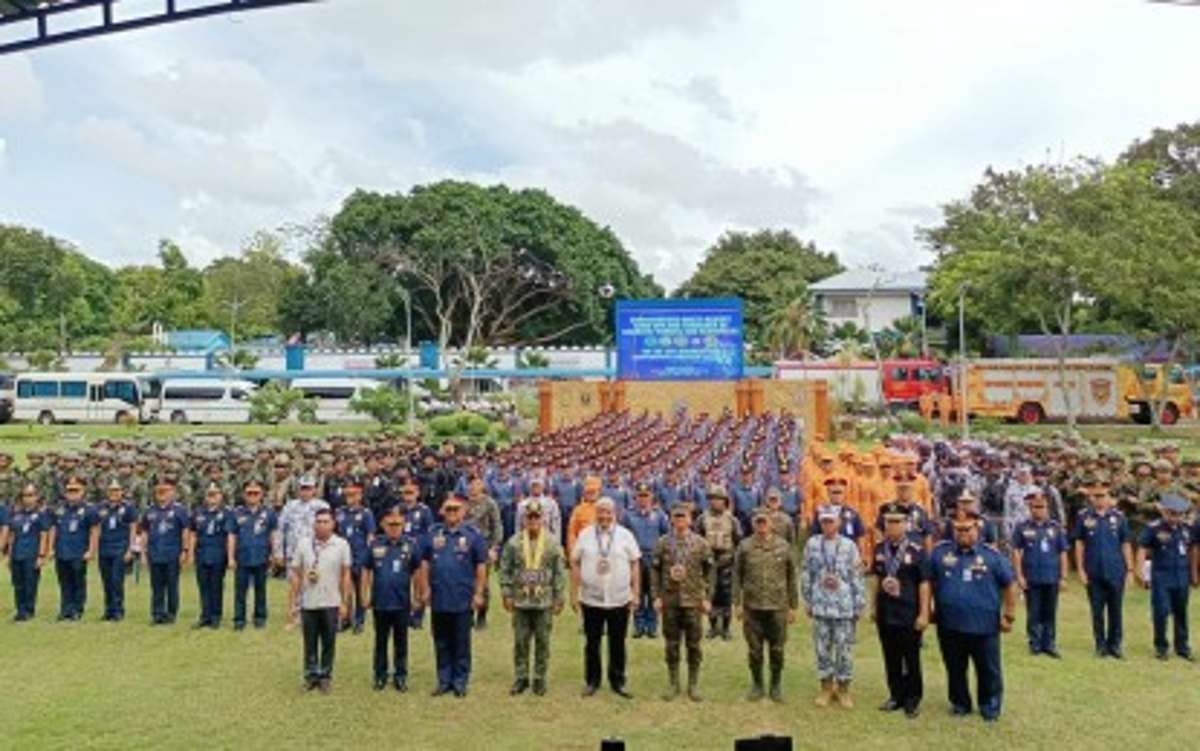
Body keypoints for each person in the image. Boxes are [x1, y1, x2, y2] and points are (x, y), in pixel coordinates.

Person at [929, 509, 1017, 722]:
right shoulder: (940, 553)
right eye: (957, 529)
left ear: (977, 527)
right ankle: (960, 703)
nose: (962, 533)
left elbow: (1009, 585)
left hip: (984, 625)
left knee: (988, 668)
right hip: (949, 623)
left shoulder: (992, 556)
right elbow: (929, 582)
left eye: (967, 529)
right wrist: (930, 607)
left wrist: (1009, 615)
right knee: (955, 667)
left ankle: (990, 705)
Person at [571, 497, 640, 698]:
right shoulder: (585, 535)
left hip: (619, 599)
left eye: (608, 512)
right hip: (592, 599)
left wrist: (635, 592)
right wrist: (574, 594)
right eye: (601, 512)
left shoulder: (625, 536)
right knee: (592, 643)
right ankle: (592, 681)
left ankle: (618, 682)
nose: (604, 516)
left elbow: (635, 563)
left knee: (617, 642)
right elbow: (575, 562)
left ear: (614, 514)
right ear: (596, 513)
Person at [801, 504, 867, 708]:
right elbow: (806, 574)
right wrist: (808, 600)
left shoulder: (849, 546)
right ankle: (826, 688)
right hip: (821, 605)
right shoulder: (812, 544)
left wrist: (859, 603)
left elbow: (857, 576)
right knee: (822, 648)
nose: (827, 525)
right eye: (824, 521)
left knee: (844, 649)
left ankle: (844, 689)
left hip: (844, 606)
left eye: (831, 521)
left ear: (839, 522)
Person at [499, 502, 567, 696]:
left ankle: (539, 678)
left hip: (543, 601)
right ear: (524, 519)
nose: (533, 521)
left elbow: (559, 572)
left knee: (543, 641)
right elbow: (505, 569)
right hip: (520, 601)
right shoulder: (513, 543)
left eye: (537, 517)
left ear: (543, 519)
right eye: (530, 517)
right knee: (520, 641)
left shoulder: (552, 543)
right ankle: (521, 677)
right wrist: (506, 593)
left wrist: (559, 597)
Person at [425, 495, 489, 698]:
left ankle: (460, 681)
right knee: (441, 641)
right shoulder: (433, 533)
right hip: (439, 597)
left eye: (456, 509)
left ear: (463, 512)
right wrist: (424, 588)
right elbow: (425, 562)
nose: (452, 513)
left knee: (461, 642)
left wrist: (479, 593)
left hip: (462, 597)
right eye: (448, 509)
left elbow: (481, 566)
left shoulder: (473, 536)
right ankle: (444, 680)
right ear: (443, 511)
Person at [871, 503, 931, 718]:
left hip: (908, 612)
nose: (892, 526)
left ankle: (912, 699)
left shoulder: (916, 551)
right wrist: (873, 607)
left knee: (911, 658)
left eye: (897, 521)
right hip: (886, 612)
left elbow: (924, 584)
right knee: (891, 656)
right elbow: (877, 579)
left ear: (906, 524)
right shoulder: (879, 549)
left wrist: (924, 613)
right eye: (888, 521)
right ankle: (895, 695)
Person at [733, 507, 798, 702]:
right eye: (758, 522)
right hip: (752, 607)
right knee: (754, 650)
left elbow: (791, 577)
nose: (761, 525)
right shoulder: (744, 546)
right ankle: (757, 685)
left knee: (777, 649)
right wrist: (736, 602)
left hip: (777, 606)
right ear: (753, 524)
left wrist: (793, 606)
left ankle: (776, 686)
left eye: (764, 522)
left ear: (771, 523)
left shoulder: (783, 546)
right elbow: (737, 575)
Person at [651, 504, 715, 702]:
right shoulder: (662, 543)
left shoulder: (701, 544)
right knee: (671, 644)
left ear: (690, 519)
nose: (679, 520)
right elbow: (654, 571)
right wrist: (656, 596)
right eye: (676, 516)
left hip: (693, 601)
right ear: (671, 519)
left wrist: (707, 597)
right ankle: (673, 683)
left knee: (694, 644)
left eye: (683, 517)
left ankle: (693, 684)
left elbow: (711, 571)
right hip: (670, 600)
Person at [362, 505, 428, 692]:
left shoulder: (410, 545)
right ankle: (380, 675)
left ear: (403, 525)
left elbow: (418, 570)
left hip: (402, 603)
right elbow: (366, 569)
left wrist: (418, 596)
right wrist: (364, 594)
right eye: (390, 524)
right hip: (380, 602)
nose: (394, 528)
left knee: (401, 642)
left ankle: (400, 676)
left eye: (398, 524)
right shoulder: (375, 545)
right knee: (380, 641)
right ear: (383, 525)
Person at [288, 508, 352, 693]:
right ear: (313, 524)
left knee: (329, 641)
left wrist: (345, 602)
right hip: (308, 601)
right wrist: (294, 602)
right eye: (318, 521)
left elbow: (345, 574)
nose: (322, 525)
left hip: (331, 601)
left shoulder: (341, 545)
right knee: (309, 642)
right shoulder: (303, 544)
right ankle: (310, 676)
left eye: (326, 521)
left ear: (333, 524)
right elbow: (297, 575)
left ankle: (325, 676)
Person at [1071, 477, 1133, 658]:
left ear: (1109, 497)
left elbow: (1126, 544)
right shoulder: (1084, 517)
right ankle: (1100, 645)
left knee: (1116, 610)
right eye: (1095, 496)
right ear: (1090, 497)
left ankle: (1115, 645)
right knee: (1097, 611)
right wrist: (1081, 570)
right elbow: (1079, 544)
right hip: (1093, 571)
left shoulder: (1119, 517)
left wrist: (1129, 570)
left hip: (1115, 570)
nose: (1099, 499)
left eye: (1103, 495)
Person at [1134, 493, 1194, 661]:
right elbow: (1142, 548)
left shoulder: (1186, 529)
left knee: (1181, 612)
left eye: (1180, 514)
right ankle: (1161, 646)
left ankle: (1182, 647)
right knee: (1161, 611)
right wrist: (1139, 571)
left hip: (1181, 576)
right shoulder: (1154, 528)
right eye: (1172, 513)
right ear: (1164, 512)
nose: (1176, 517)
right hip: (1162, 577)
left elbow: (1190, 551)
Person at [1010, 490, 1068, 657]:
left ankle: (1049, 643)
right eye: (1035, 507)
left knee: (1050, 611)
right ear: (1030, 508)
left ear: (1047, 508)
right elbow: (1016, 552)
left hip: (1051, 576)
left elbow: (1062, 552)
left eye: (1041, 507)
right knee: (1033, 611)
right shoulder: (1022, 527)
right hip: (1032, 576)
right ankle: (1035, 643)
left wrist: (1063, 577)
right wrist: (1019, 575)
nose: (1038, 510)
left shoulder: (1055, 527)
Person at [228, 478, 282, 630]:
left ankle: (260, 618)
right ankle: (239, 619)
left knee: (260, 590)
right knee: (240, 591)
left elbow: (273, 534)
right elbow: (232, 536)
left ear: (262, 494)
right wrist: (231, 557)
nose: (252, 495)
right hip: (242, 557)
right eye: (249, 493)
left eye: (256, 493)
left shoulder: (269, 513)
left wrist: (274, 554)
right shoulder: (236, 512)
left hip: (261, 556)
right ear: (244, 495)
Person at [140, 475, 191, 625]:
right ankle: (157, 614)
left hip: (172, 553)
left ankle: (171, 613)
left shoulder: (179, 510)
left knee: (172, 585)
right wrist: (143, 552)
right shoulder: (150, 510)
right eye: (159, 490)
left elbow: (185, 531)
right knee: (156, 586)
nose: (162, 493)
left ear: (173, 492)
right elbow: (144, 532)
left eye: (166, 490)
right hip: (155, 553)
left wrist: (185, 550)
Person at [48, 476, 98, 621]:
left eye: (76, 490)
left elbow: (95, 531)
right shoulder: (60, 509)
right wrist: (51, 548)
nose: (72, 493)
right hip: (62, 551)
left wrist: (91, 550)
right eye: (69, 490)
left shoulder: (89, 510)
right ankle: (65, 609)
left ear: (83, 491)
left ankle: (77, 609)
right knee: (64, 582)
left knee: (78, 582)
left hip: (78, 551)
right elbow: (54, 529)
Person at [624, 482, 669, 638]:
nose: (643, 499)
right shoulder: (628, 515)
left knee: (653, 593)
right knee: (637, 592)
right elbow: (624, 536)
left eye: (646, 496)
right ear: (635, 497)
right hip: (636, 559)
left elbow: (666, 536)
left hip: (654, 558)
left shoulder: (660, 515)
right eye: (640, 496)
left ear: (651, 497)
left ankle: (652, 626)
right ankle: (638, 625)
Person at [696, 486, 741, 640]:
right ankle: (713, 627)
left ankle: (726, 628)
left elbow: (738, 540)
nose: (715, 502)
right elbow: (698, 540)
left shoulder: (732, 520)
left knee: (726, 595)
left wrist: (735, 559)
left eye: (718, 499)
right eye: (712, 499)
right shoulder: (702, 519)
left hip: (726, 561)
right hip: (709, 562)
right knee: (711, 594)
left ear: (724, 501)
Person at [335, 480, 377, 634]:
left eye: (353, 495)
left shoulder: (366, 513)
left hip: (360, 555)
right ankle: (345, 618)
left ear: (359, 496)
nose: (349, 497)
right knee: (344, 589)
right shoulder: (340, 512)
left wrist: (369, 556)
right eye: (347, 494)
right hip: (343, 556)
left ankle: (359, 620)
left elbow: (370, 535)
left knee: (360, 589)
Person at [6, 483, 50, 620]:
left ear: (36, 497)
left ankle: (29, 611)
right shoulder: (17, 515)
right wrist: (8, 554)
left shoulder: (41, 515)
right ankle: (20, 610)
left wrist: (41, 555)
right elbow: (12, 536)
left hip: (31, 554)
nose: (28, 498)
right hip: (17, 554)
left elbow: (44, 535)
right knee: (18, 584)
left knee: (30, 583)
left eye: (31, 495)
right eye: (25, 495)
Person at [189, 482, 230, 629]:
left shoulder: (226, 513)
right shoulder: (198, 512)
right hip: (202, 553)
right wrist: (190, 553)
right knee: (203, 586)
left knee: (216, 586)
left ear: (221, 496)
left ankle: (216, 616)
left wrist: (230, 557)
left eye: (215, 494)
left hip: (218, 553)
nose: (212, 497)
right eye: (209, 494)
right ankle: (205, 616)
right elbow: (193, 533)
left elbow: (229, 536)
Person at [464, 477, 503, 631]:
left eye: (476, 484)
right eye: (470, 484)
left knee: (483, 584)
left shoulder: (489, 503)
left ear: (482, 487)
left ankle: (481, 616)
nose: (473, 487)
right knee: (466, 583)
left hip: (483, 547)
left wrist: (494, 547)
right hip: (465, 548)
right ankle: (467, 616)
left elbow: (497, 526)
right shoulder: (463, 504)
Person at [96, 478, 137, 622]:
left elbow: (133, 528)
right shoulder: (101, 507)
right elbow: (97, 528)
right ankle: (108, 610)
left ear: (122, 492)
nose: (114, 493)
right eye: (111, 491)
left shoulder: (128, 508)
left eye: (117, 490)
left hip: (120, 547)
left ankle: (118, 610)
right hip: (104, 548)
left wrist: (130, 549)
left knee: (116, 580)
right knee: (106, 580)